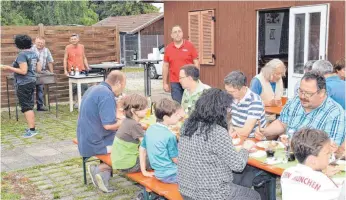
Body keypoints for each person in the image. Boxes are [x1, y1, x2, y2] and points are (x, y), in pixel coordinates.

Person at [178, 88, 261, 200]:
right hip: (210, 195)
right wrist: (245, 148)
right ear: (220, 110)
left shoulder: (187, 125)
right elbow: (238, 165)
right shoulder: (216, 132)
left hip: (186, 190)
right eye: (227, 108)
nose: (229, 111)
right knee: (254, 196)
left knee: (242, 179)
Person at [255, 71, 345, 146]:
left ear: (321, 93)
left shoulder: (335, 113)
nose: (302, 96)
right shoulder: (294, 101)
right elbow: (282, 123)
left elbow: (329, 149)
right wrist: (265, 132)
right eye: (300, 91)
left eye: (308, 93)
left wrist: (295, 144)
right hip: (284, 154)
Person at [78, 71, 126, 193]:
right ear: (119, 83)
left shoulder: (94, 88)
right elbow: (109, 126)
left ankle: (100, 170)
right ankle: (100, 169)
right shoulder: (106, 95)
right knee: (129, 144)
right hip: (96, 142)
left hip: (84, 137)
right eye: (124, 85)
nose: (123, 88)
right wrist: (123, 122)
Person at [281, 128, 342, 200]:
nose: (329, 156)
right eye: (327, 153)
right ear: (313, 160)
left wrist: (323, 174)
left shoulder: (287, 173)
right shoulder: (324, 182)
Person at [1, 35, 41, 138]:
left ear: (18, 44)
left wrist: (8, 68)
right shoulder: (34, 53)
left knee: (26, 106)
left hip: (24, 83)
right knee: (29, 104)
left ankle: (32, 130)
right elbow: (39, 69)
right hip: (32, 81)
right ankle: (31, 127)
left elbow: (23, 71)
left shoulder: (22, 55)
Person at [139, 98, 181, 183]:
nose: (178, 117)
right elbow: (175, 159)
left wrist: (144, 171)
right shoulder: (170, 135)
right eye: (176, 115)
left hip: (158, 173)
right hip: (172, 174)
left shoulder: (150, 129)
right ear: (166, 117)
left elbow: (142, 149)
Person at [111, 94, 152, 173]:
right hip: (128, 165)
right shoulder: (134, 125)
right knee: (159, 158)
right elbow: (145, 146)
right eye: (144, 108)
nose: (147, 109)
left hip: (119, 161)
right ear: (133, 111)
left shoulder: (127, 121)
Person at [163, 25, 199, 104]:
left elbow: (196, 62)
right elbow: (165, 66)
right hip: (175, 82)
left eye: (179, 31)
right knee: (177, 105)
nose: (177, 34)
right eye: (175, 32)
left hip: (189, 80)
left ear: (182, 33)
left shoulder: (190, 46)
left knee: (190, 103)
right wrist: (164, 83)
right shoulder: (168, 49)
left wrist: (196, 78)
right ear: (171, 35)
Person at [224, 71, 266, 138]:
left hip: (252, 140)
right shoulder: (231, 97)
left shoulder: (255, 101)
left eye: (232, 91)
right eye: (227, 91)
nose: (228, 94)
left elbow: (246, 132)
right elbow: (226, 116)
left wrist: (231, 128)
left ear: (243, 88)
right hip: (235, 137)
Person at [63, 33, 89, 107]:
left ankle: (83, 102)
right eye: (72, 39)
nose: (73, 40)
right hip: (72, 70)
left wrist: (87, 67)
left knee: (84, 86)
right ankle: (76, 102)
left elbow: (84, 57)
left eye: (75, 39)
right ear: (70, 40)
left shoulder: (82, 47)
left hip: (81, 69)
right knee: (74, 87)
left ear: (78, 39)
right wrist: (65, 70)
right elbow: (65, 59)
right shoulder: (67, 47)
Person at [31, 37, 54, 111]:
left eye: (41, 43)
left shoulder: (46, 50)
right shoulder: (31, 49)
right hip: (31, 71)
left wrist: (51, 72)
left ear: (44, 43)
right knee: (30, 89)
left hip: (41, 72)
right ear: (35, 42)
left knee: (40, 89)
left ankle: (40, 106)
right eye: (38, 43)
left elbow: (50, 61)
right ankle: (29, 107)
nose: (40, 44)